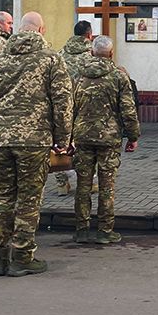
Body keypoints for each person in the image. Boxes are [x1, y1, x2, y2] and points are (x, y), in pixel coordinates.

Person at [0, 12, 74, 277]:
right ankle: (22, 256)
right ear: (41, 29)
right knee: (29, 199)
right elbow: (62, 102)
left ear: (18, 30)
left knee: (3, 196)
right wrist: (63, 140)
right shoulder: (51, 59)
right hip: (33, 139)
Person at [71, 35, 140, 244]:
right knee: (106, 185)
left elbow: (69, 108)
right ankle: (105, 230)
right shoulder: (119, 77)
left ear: (92, 52)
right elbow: (128, 109)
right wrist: (133, 135)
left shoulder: (78, 76)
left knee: (83, 184)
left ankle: (82, 230)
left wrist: (67, 137)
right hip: (109, 138)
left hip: (82, 136)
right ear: (111, 53)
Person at [54, 20, 95, 196]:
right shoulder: (91, 55)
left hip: (62, 105)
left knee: (61, 143)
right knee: (85, 145)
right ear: (89, 35)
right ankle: (89, 182)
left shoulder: (60, 53)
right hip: (83, 107)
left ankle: (62, 183)